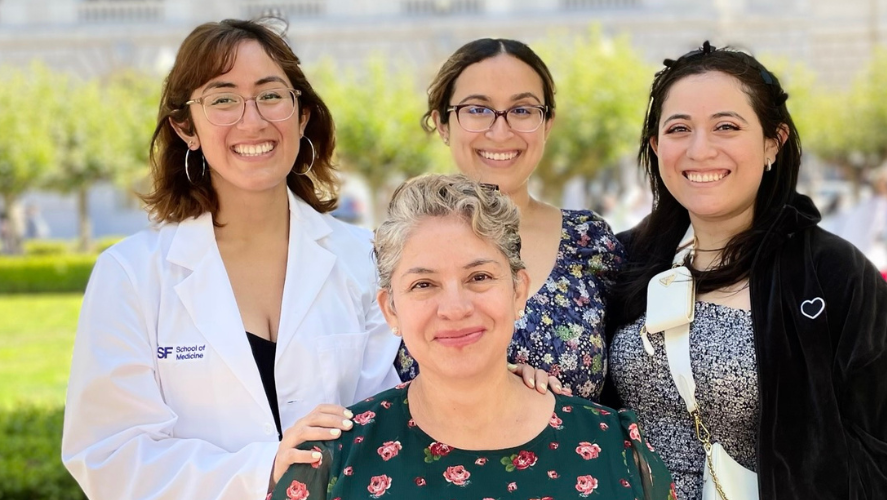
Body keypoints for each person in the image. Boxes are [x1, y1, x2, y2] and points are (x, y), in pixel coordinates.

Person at [61, 18, 400, 500]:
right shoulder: (131, 275)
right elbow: (108, 456)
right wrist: (266, 468)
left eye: (271, 95)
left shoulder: (365, 259)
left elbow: (398, 416)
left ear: (301, 115)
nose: (253, 120)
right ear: (186, 127)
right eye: (222, 99)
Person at [605, 42, 887, 499]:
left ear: (772, 143)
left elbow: (882, 447)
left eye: (726, 126)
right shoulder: (624, 261)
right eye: (679, 129)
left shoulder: (832, 274)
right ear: (657, 147)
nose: (700, 150)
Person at [272, 173, 675, 500]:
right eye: (424, 284)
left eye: (479, 277)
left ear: (518, 291)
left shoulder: (617, 451)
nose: (455, 307)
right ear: (390, 309)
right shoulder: (331, 463)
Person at [395, 38, 625, 401]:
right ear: (442, 123)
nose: (500, 131)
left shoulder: (590, 243)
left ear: (547, 123)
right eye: (477, 110)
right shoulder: (400, 247)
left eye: (522, 110)